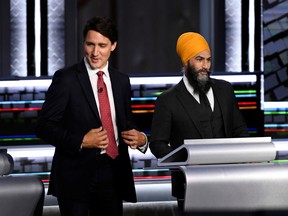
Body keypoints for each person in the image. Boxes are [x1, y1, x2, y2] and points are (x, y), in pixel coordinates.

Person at [36, 16, 148, 216]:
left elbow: (126, 123)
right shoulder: (66, 79)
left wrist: (141, 139)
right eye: (90, 44)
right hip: (75, 177)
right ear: (84, 44)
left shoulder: (122, 81)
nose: (95, 53)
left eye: (102, 45)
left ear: (113, 46)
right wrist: (81, 140)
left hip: (113, 175)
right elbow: (43, 126)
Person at [149, 32, 249, 213]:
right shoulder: (167, 100)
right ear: (185, 62)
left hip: (231, 183)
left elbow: (240, 129)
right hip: (190, 187)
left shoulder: (225, 89)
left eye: (208, 60)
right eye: (199, 59)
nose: (205, 66)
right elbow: (157, 144)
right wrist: (186, 161)